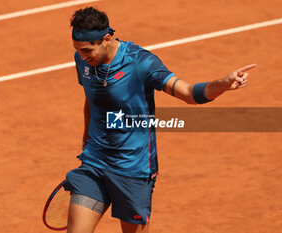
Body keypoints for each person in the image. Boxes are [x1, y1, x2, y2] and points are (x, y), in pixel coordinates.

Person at [64, 6, 256, 233]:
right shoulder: (83, 61)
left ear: (106, 39)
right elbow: (92, 97)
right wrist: (86, 134)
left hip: (132, 169)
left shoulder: (141, 62)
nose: (83, 57)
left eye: (87, 51)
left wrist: (222, 84)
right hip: (95, 162)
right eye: (79, 51)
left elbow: (188, 93)